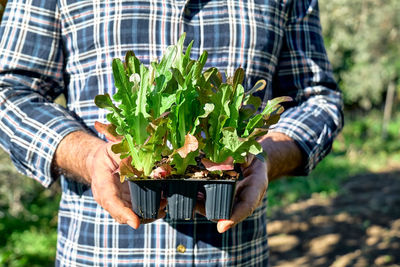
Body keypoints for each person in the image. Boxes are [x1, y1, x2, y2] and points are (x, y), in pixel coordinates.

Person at [0, 0, 343, 266]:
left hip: (233, 254)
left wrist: (263, 157)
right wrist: (90, 157)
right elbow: (9, 91)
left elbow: (319, 100)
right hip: (99, 251)